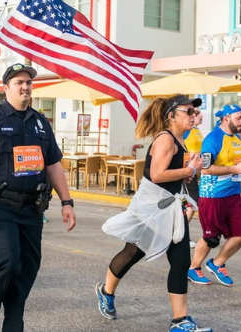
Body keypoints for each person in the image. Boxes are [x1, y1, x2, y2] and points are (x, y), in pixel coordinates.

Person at [0, 64, 75, 332]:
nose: (25, 87)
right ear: (6, 88)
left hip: (32, 209)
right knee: (7, 263)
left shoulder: (40, 122)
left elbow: (53, 164)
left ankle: (13, 324)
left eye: (28, 82)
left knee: (26, 270)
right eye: (18, 82)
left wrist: (66, 202)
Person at [96, 95, 211, 332]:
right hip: (152, 208)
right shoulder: (166, 139)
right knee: (132, 253)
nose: (193, 116)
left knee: (180, 262)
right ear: (171, 115)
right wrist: (190, 169)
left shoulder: (179, 138)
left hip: (170, 208)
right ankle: (106, 291)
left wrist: (185, 174)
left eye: (193, 112)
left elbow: (167, 172)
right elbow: (157, 175)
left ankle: (180, 321)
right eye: (188, 111)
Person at [187, 104, 241, 287]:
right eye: (239, 118)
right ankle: (193, 268)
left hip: (233, 194)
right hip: (213, 196)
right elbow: (206, 169)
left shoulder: (236, 138)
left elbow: (236, 164)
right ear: (226, 119)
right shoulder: (213, 139)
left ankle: (216, 263)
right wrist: (235, 169)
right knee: (211, 237)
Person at [183, 111, 204, 225]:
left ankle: (181, 233)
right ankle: (181, 232)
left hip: (194, 171)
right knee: (193, 201)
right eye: (197, 114)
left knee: (193, 202)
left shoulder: (197, 131)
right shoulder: (186, 131)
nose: (201, 116)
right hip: (187, 170)